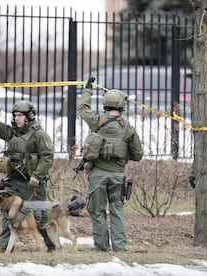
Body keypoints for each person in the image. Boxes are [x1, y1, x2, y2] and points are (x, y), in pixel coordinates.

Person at [0, 91, 56, 252]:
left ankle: (52, 245)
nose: (17, 118)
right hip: (14, 181)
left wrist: (37, 176)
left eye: (21, 115)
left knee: (40, 216)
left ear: (29, 116)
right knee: (8, 212)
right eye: (15, 115)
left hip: (33, 183)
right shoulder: (11, 132)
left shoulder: (39, 135)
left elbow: (47, 157)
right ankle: (5, 246)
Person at [77, 77, 143, 252]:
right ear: (122, 106)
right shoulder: (128, 128)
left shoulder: (96, 120)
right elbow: (138, 155)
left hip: (97, 175)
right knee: (117, 211)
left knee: (97, 212)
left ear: (105, 104)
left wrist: (87, 90)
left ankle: (102, 248)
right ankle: (120, 249)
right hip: (117, 176)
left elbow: (82, 108)